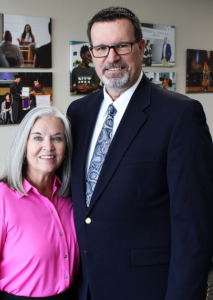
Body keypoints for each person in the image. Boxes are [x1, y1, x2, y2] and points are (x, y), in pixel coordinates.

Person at [67, 6, 213, 300]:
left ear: (142, 47)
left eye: (122, 45)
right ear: (91, 53)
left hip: (148, 288)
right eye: (101, 48)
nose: (111, 58)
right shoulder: (78, 113)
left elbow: (194, 228)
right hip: (87, 288)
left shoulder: (180, 115)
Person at [0, 106, 80, 300]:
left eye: (57, 138)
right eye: (38, 137)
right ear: (23, 145)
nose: (49, 146)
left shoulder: (72, 196)